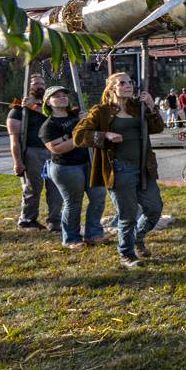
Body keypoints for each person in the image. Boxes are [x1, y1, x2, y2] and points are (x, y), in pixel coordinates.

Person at [73, 72, 165, 269]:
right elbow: (79, 136)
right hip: (119, 169)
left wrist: (151, 107)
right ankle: (127, 254)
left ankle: (138, 237)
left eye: (130, 82)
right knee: (127, 215)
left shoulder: (137, 107)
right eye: (122, 83)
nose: (127, 85)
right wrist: (105, 135)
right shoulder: (101, 111)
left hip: (144, 167)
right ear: (112, 88)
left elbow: (157, 128)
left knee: (154, 208)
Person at [39, 86, 107, 249]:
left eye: (64, 95)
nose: (62, 98)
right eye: (57, 96)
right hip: (66, 168)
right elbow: (58, 148)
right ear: (48, 102)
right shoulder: (48, 126)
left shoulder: (77, 115)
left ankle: (94, 234)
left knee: (98, 196)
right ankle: (71, 238)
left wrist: (88, 122)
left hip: (88, 162)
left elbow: (94, 135)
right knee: (73, 203)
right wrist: (80, 132)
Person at [7, 74, 63, 231]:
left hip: (54, 151)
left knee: (56, 187)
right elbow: (14, 139)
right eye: (35, 83)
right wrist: (17, 162)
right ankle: (27, 220)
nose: (39, 86)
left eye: (42, 83)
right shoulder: (18, 109)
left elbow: (59, 118)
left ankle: (55, 220)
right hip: (32, 152)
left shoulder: (52, 108)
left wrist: (35, 107)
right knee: (33, 188)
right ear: (28, 87)